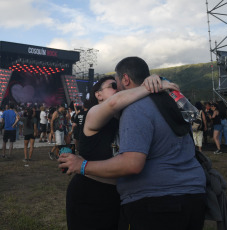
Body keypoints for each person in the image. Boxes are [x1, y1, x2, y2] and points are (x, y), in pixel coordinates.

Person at [59, 56, 206, 230]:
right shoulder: (95, 114)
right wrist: (150, 85)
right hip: (91, 195)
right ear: (97, 94)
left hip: (121, 198)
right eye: (112, 86)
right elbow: (114, 103)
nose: (117, 88)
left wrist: (157, 80)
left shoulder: (130, 112)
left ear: (125, 79)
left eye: (117, 83)